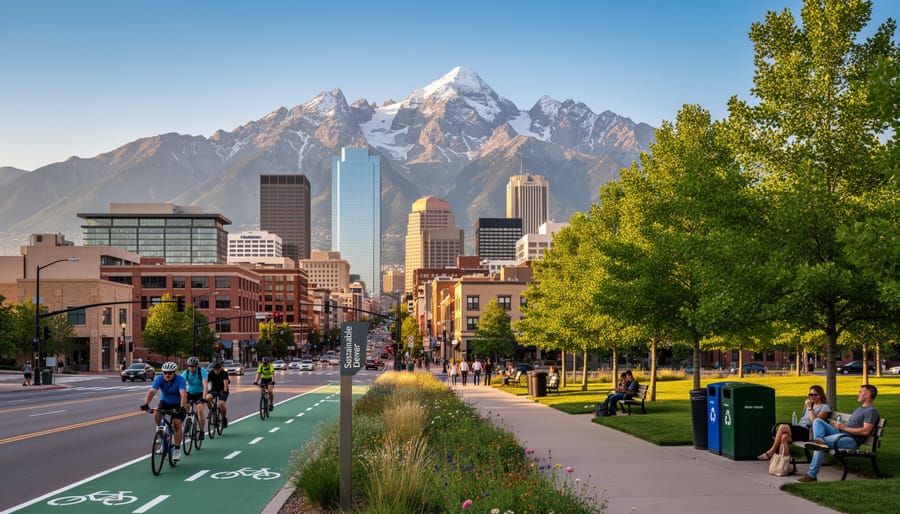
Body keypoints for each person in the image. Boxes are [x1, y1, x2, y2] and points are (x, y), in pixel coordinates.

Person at [797, 384, 880, 483]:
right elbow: (852, 426)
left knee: (819, 445)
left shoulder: (871, 411)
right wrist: (839, 425)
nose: (858, 394)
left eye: (861, 392)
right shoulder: (859, 409)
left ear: (868, 394)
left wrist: (844, 427)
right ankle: (819, 440)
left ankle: (811, 475)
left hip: (851, 440)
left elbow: (866, 431)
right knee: (817, 421)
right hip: (841, 433)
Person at [759, 384, 830, 460]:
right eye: (810, 394)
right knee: (784, 437)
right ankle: (788, 465)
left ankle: (771, 451)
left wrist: (809, 408)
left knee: (782, 427)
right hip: (800, 429)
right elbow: (803, 419)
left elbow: (815, 422)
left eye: (815, 395)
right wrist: (807, 407)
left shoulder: (824, 407)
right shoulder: (810, 405)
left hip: (809, 432)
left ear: (820, 395)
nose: (812, 396)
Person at [140, 362, 187, 461]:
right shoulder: (159, 379)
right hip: (165, 401)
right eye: (165, 373)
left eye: (170, 373)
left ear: (174, 373)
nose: (167, 375)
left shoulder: (180, 379)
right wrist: (146, 404)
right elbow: (152, 391)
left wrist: (182, 407)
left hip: (178, 403)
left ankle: (177, 450)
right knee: (157, 413)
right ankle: (162, 433)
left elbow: (183, 394)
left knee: (177, 423)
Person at [181, 356, 208, 440]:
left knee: (199, 410)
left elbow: (205, 385)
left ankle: (202, 431)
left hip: (200, 393)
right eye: (190, 366)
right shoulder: (186, 373)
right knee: (185, 405)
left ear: (197, 366)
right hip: (190, 393)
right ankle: (188, 419)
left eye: (193, 366)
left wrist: (203, 398)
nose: (191, 368)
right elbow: (182, 386)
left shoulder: (202, 371)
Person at [206, 361, 231, 428]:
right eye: (215, 369)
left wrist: (224, 391)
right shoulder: (211, 373)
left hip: (223, 390)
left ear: (220, 368)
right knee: (207, 398)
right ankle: (212, 411)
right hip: (214, 390)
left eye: (218, 369)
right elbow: (206, 383)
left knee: (221, 403)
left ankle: (224, 418)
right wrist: (206, 391)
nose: (216, 371)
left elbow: (225, 384)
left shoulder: (224, 373)